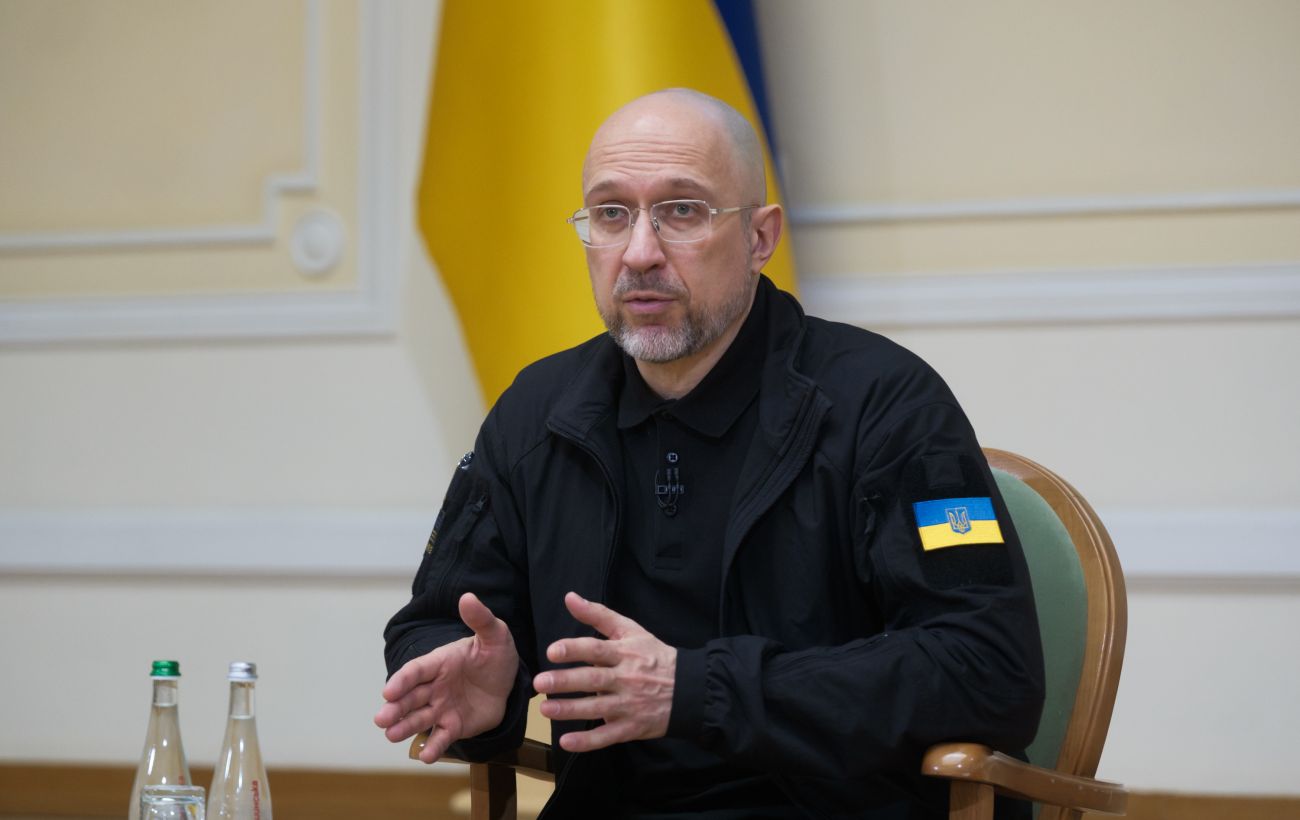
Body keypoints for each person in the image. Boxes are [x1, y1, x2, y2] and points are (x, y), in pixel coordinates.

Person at [375, 88, 1045, 819]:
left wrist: (698, 690)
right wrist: (479, 681)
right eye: (611, 214)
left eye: (682, 211)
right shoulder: (537, 414)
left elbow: (987, 669)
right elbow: (436, 621)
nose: (639, 253)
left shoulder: (886, 404)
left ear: (760, 237)